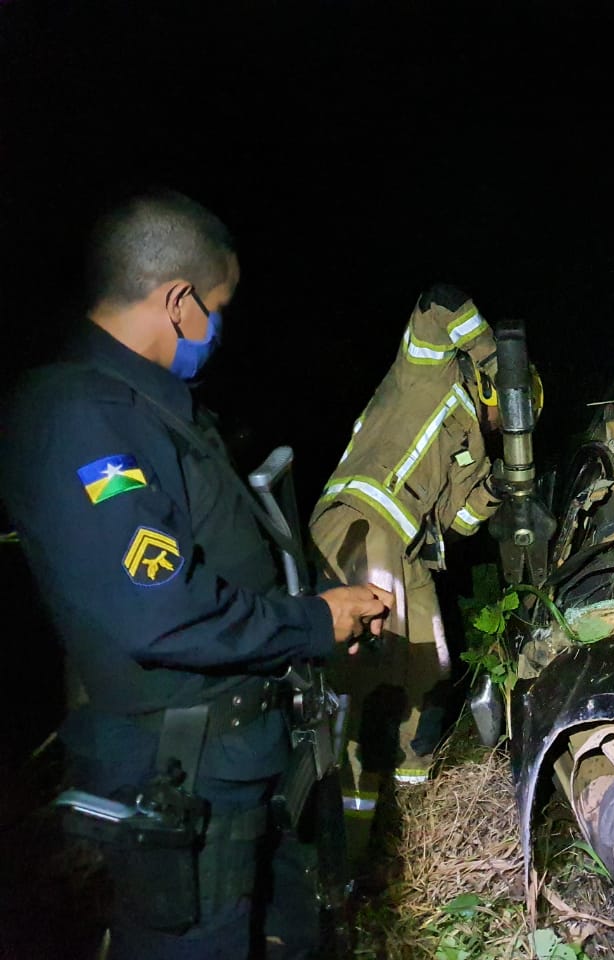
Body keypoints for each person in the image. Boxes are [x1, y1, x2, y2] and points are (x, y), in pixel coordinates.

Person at [0, 189, 393, 960]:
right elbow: (163, 612)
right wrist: (315, 622)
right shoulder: (78, 418)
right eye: (217, 304)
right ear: (178, 301)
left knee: (282, 933)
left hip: (235, 760)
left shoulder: (155, 409)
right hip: (178, 778)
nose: (218, 326)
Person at [308, 284, 515, 855]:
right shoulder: (431, 373)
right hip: (362, 526)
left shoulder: (477, 446)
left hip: (411, 550)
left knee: (430, 670)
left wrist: (496, 490)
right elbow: (438, 300)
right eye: (510, 411)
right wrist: (496, 358)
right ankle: (345, 844)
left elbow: (459, 522)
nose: (505, 426)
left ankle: (405, 824)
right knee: (367, 680)